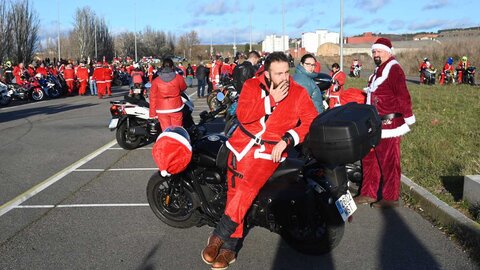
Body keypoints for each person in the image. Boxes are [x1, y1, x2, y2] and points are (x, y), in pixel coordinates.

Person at [201, 52, 318, 269]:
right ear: (267, 72)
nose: (284, 78)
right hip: (240, 145)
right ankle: (230, 247)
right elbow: (244, 115)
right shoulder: (252, 86)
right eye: (278, 73)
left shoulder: (299, 93)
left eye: (286, 72)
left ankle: (220, 236)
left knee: (246, 190)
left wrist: (287, 140)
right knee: (235, 194)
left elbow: (310, 121)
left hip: (269, 151)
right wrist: (270, 100)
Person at [354, 38, 415, 208]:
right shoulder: (378, 70)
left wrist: (408, 116)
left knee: (389, 161)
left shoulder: (394, 69)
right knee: (369, 158)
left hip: (389, 124)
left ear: (388, 51)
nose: (376, 54)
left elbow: (403, 95)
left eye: (379, 51)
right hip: (373, 123)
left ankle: (390, 197)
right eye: (374, 52)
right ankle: (368, 193)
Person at [149, 58, 187, 130]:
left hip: (162, 109)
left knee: (166, 131)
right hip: (176, 107)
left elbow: (152, 97)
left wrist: (152, 114)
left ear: (162, 67)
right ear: (172, 67)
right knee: (177, 130)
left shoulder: (156, 81)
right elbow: (183, 88)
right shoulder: (178, 78)